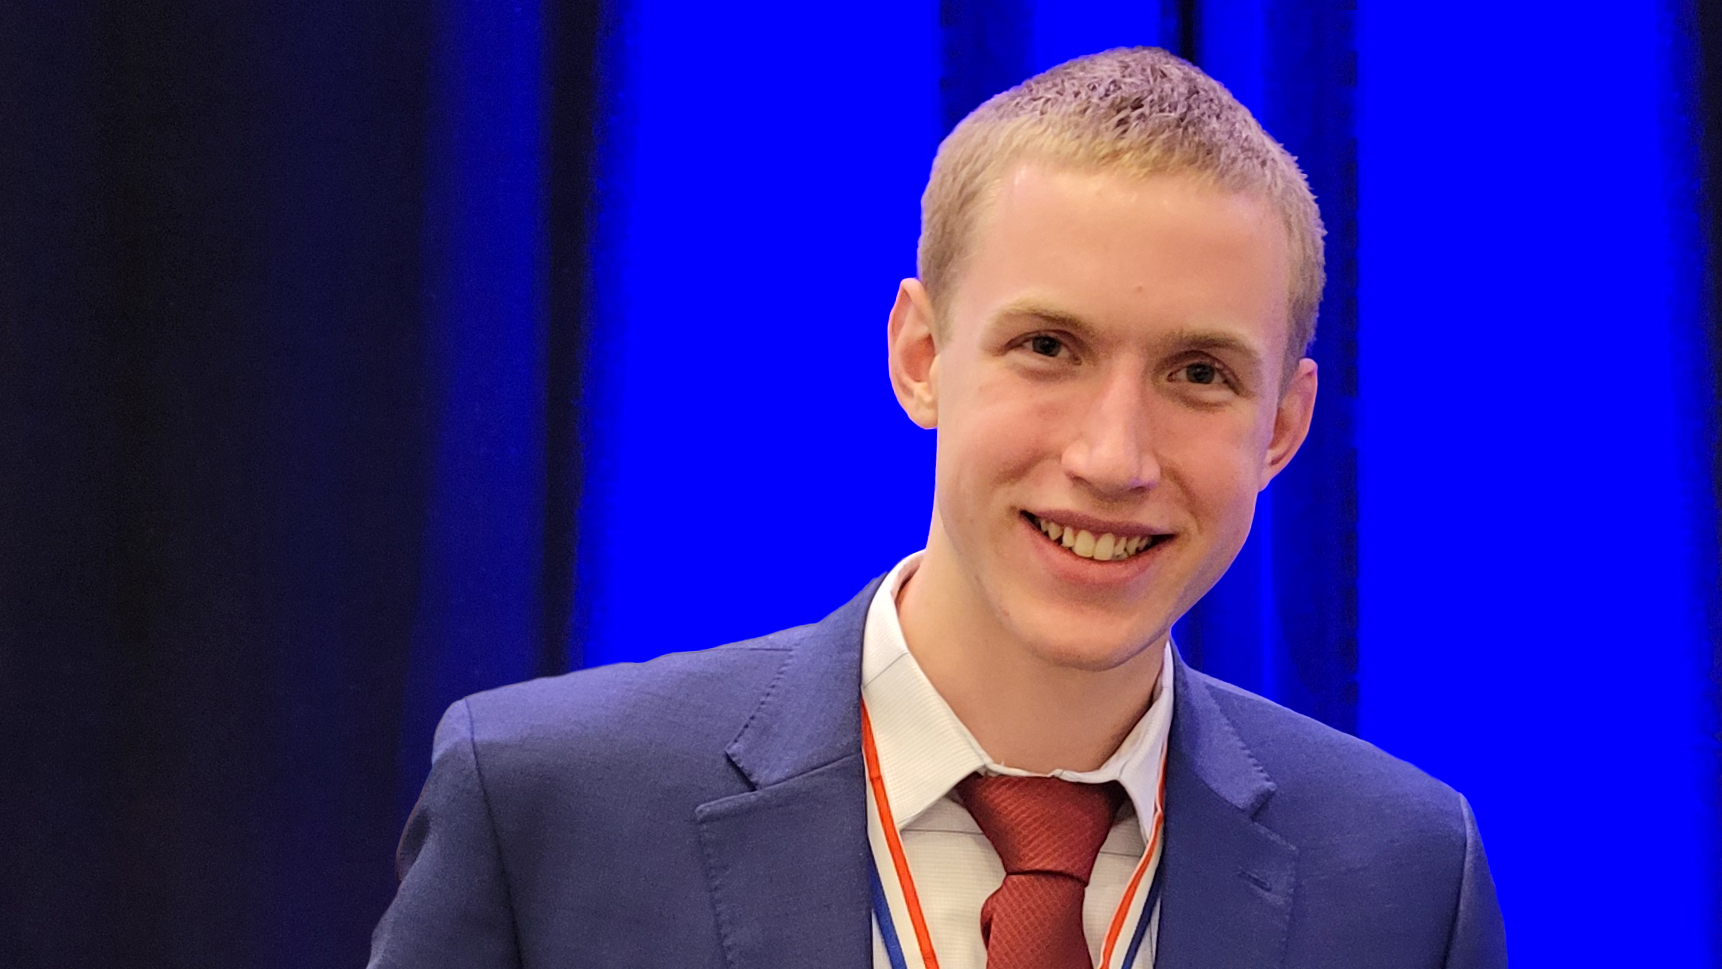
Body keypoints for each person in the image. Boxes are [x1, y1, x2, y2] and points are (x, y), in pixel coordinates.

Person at [368, 47, 1506, 969]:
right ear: (920, 357)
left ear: (1284, 427)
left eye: (1200, 373)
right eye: (1048, 347)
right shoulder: (545, 808)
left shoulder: (1405, 879)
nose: (1114, 457)